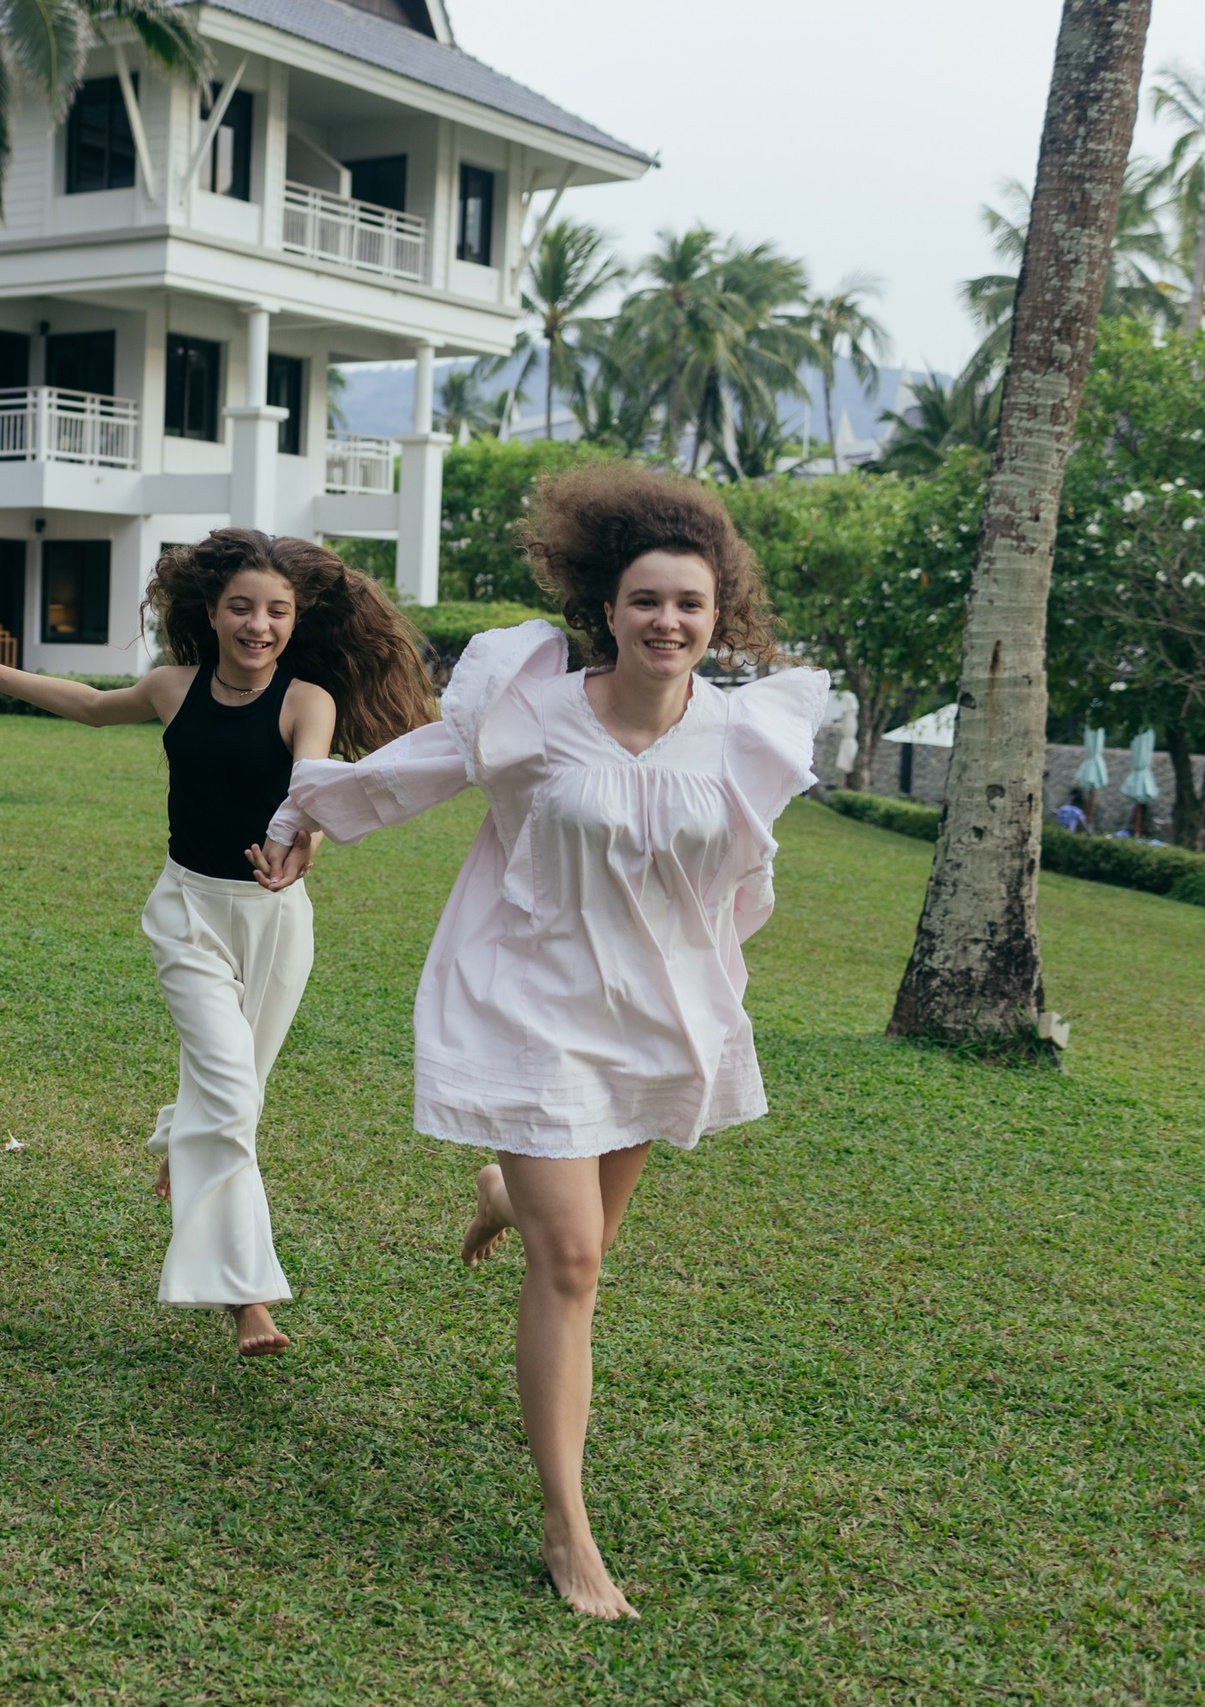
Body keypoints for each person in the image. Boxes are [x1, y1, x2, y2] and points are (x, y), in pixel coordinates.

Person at [253, 466, 828, 1619]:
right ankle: (570, 1534)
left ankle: (503, 1189)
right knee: (571, 1269)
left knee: (581, 1246)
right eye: (646, 600)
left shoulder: (744, 731)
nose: (668, 621)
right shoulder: (531, 708)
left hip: (653, 1018)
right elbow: (410, 770)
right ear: (605, 610)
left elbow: (738, 882)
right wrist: (299, 813)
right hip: (528, 1002)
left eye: (690, 605)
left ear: (720, 620)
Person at [0, 530, 435, 1358]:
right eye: (242, 606)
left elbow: (309, 781)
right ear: (211, 610)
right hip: (189, 915)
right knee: (231, 1100)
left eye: (276, 611)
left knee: (234, 1099)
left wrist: (299, 835)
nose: (258, 624)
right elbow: (90, 703)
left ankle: (178, 1133)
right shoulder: (173, 687)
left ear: (295, 618)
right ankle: (248, 1301)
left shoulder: (308, 699)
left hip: (275, 924)